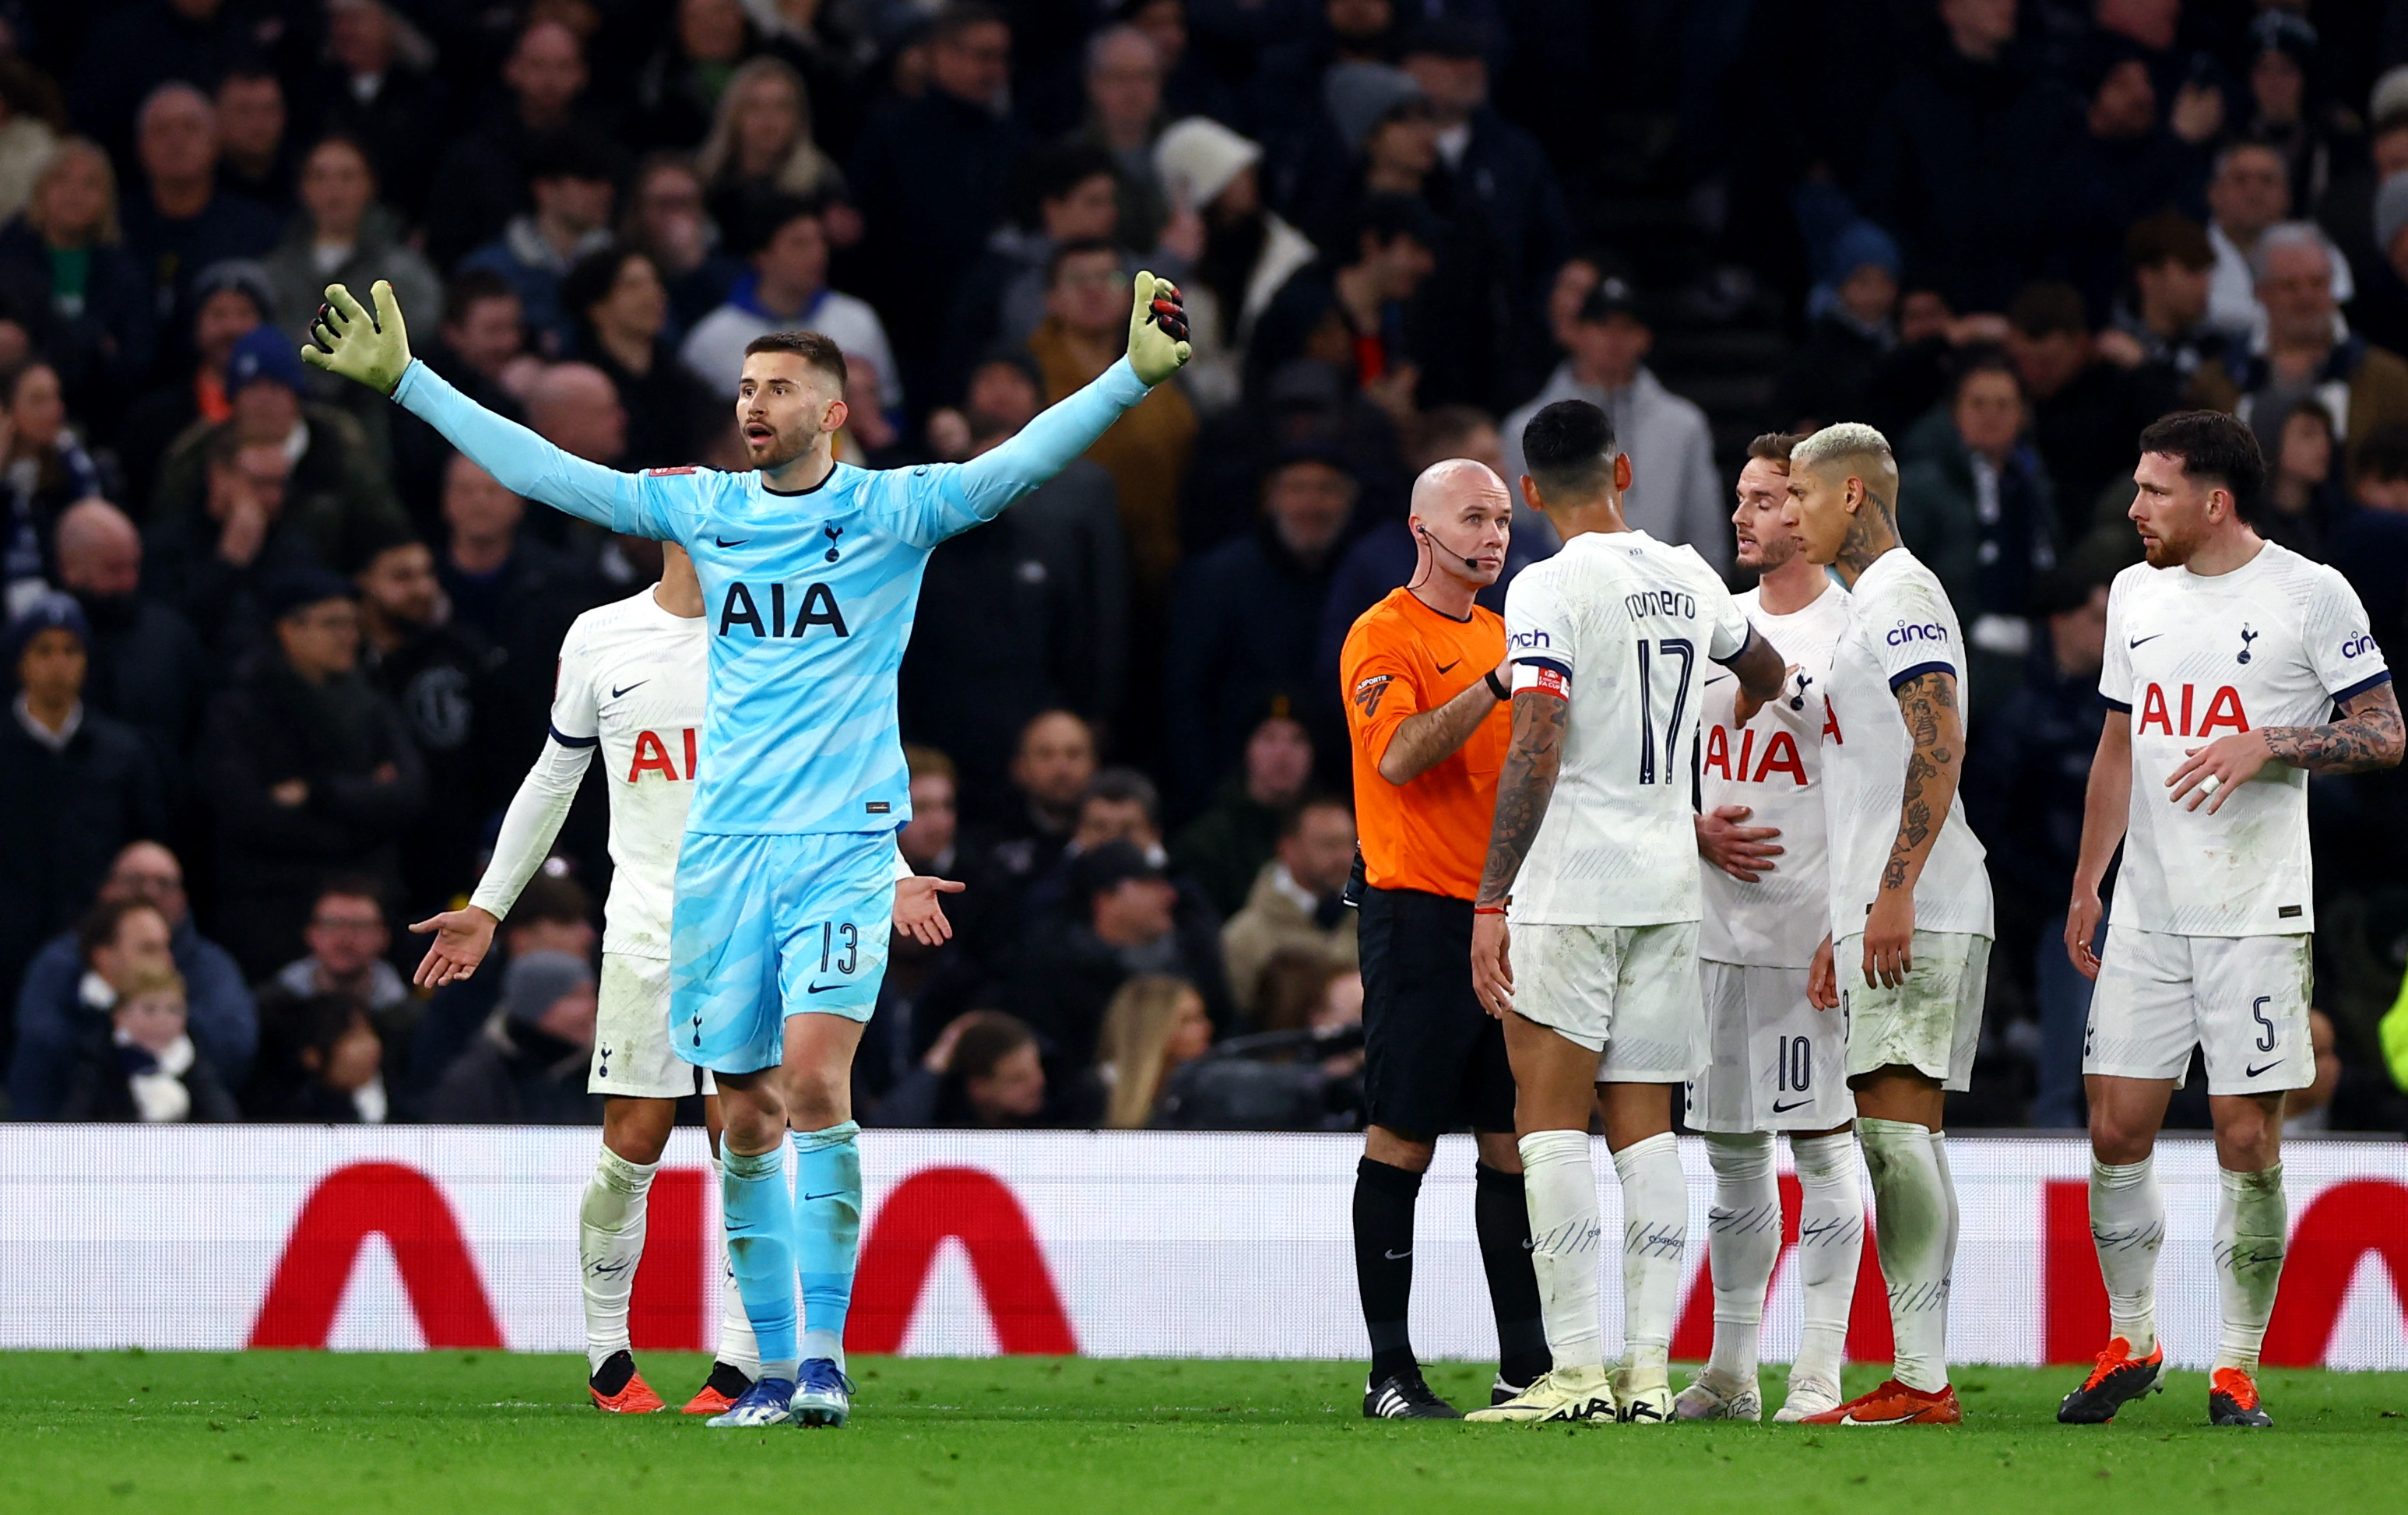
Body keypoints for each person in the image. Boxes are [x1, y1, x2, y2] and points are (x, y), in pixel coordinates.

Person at [304, 265, 1191, 1429]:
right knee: (746, 1116)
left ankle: (822, 1361)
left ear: (834, 409)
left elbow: (1013, 463)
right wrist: (410, 383)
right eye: (744, 387)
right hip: (719, 861)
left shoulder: (892, 513)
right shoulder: (706, 511)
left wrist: (1127, 377)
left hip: (835, 849)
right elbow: (547, 471)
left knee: (817, 1083)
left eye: (778, 387)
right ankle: (768, 1371)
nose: (753, 404)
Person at [410, 540, 958, 1414]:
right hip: (646, 927)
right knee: (633, 1136)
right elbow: (555, 774)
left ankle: (742, 1363)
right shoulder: (599, 634)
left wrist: (889, 871)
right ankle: (606, 1358)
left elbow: (831, 771)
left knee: (745, 1128)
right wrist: (488, 904)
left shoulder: (784, 631)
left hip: (758, 916)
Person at [2057, 412, 2403, 1429]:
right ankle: (2130, 1333)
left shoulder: (2310, 592)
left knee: (2242, 1131)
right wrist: (2089, 881)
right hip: (2151, 909)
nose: (2132, 510)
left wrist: (2271, 741)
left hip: (2255, 906)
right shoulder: (2132, 592)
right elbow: (2119, 747)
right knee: (2115, 1122)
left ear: (2213, 501)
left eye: (2152, 491)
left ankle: (2237, 1365)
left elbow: (2385, 732)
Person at [1465, 402, 1783, 1427]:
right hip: (1665, 882)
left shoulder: (1546, 585)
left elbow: (1541, 727)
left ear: (1527, 491)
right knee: (1645, 1128)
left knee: (1548, 1123)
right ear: (1625, 469)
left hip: (1572, 885)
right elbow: (1766, 672)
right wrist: (1690, 743)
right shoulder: (1690, 571)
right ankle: (1648, 1376)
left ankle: (1573, 1376)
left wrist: (1491, 893)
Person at [1784, 421, 1995, 1426]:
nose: (1793, 512)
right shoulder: (1875, 603)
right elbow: (1873, 769)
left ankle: (1922, 1375)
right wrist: (1850, 908)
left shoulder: (1901, 594)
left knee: (1894, 1135)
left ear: (1854, 494)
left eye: (1803, 496)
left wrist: (1896, 887)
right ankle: (1920, 1371)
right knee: (1900, 1133)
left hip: (1922, 901)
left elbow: (1938, 736)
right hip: (1892, 902)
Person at [1337, 454, 1545, 1420]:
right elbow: (1398, 753)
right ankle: (1390, 1371)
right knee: (1404, 1138)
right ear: (1423, 529)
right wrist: (1499, 685)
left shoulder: (1506, 633)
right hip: (1417, 915)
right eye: (1474, 518)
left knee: (1511, 1145)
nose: (1494, 535)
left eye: (1502, 519)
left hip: (1502, 916)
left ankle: (1527, 1367)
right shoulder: (1385, 634)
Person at [1674, 434, 1861, 1424]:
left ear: (1812, 507)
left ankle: (1822, 1368)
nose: (1743, 514)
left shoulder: (1855, 629)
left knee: (1824, 1148)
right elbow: (1657, 761)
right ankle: (1731, 1369)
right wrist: (1692, 828)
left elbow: (1873, 787)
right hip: (1714, 934)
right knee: (1733, 1154)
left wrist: (1853, 918)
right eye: (1741, 496)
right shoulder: (1714, 624)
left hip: (1809, 931)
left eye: (1765, 499)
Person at [194, 568, 427, 976]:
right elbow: (249, 816)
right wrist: (364, 812)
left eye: (353, 624)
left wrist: (319, 794)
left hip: (369, 910)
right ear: (288, 628)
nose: (349, 636)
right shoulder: (240, 710)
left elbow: (409, 795)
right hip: (270, 915)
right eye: (333, 623)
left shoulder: (371, 704)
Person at [1965, 568, 2108, 1130]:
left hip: (2112, 891)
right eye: (2095, 619)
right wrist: (2058, 890)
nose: (2105, 633)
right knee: (2074, 932)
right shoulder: (2015, 716)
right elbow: (1990, 826)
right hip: (2038, 901)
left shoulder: (2114, 712)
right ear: (2059, 621)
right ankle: (2058, 1116)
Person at [0, 595, 168, 1020]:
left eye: (71, 650)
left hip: (97, 940)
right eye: (44, 650)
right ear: (20, 662)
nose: (59, 664)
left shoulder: (122, 751)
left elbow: (145, 839)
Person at [1162, 448, 1352, 809]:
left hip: (1337, 797)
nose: (1312, 505)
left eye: (1327, 489)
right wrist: (1203, 794)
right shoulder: (1217, 578)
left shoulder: (1364, 576)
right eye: (1297, 489)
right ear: (1272, 497)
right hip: (1228, 789)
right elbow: (1185, 694)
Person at [8, 841, 256, 1115]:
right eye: (148, 949)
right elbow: (41, 1056)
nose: (166, 961)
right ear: (104, 957)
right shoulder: (60, 967)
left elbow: (234, 1049)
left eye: (164, 883)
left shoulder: (210, 968)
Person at [1499, 278, 1726, 572]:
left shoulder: (1684, 425)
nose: (1613, 338)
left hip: (1664, 599)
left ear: (1644, 338)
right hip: (1564, 598)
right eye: (1601, 324)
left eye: (1627, 327)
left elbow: (1704, 528)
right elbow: (1519, 533)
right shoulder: (1525, 428)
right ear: (1577, 333)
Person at [1029, 238, 1197, 595]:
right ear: (1051, 298)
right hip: (1058, 562)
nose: (1094, 291)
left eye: (1110, 278)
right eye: (1077, 280)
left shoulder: (1166, 363)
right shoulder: (1027, 372)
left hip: (1156, 564)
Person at [1897, 351, 2062, 707]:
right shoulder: (1921, 487)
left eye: (2003, 404)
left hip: (2031, 646)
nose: (1991, 415)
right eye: (1978, 403)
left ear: (2022, 414)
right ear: (1956, 413)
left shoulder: (2036, 485)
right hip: (1951, 654)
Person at [2189, 224, 2408, 480]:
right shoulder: (2215, 382)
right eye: (2290, 286)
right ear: (2261, 293)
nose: (2306, 297)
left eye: (2317, 284)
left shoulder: (2391, 381)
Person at [677, 198, 892, 406]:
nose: (818, 255)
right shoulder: (712, 341)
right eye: (800, 244)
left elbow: (891, 409)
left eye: (822, 242)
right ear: (762, 257)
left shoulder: (857, 320)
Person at [258, 135, 440, 351]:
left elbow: (422, 330)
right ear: (302, 188)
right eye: (319, 177)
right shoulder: (274, 273)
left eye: (347, 177)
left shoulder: (406, 273)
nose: (334, 190)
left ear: (371, 185)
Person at [561, 246, 720, 473]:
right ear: (596, 306)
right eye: (632, 286)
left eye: (655, 283)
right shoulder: (576, 381)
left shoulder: (679, 379)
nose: (653, 295)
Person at [458, 138, 618, 358]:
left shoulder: (623, 268)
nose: (605, 191)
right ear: (545, 190)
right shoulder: (489, 269)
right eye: (588, 180)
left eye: (607, 181)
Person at [422, 950, 603, 1124]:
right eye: (577, 997)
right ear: (537, 1005)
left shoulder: (603, 1075)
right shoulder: (474, 1083)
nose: (592, 1008)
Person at [1220, 796, 1358, 1018]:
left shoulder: (1379, 918)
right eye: (1329, 845)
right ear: (1288, 849)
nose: (1344, 856)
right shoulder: (1245, 937)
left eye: (1349, 843)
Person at [1171, 712, 1314, 920]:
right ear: (1247, 748)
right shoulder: (1207, 843)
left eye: (1298, 740)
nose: (1283, 753)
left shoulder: (1339, 833)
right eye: (1269, 738)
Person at [58, 965, 239, 1123]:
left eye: (174, 1010)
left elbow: (224, 1120)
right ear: (120, 1016)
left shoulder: (191, 1061)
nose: (162, 1021)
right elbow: (74, 1122)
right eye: (149, 1010)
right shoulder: (100, 1061)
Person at [262, 875, 412, 1054]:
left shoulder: (410, 1020)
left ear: (383, 937)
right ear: (311, 934)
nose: (344, 939)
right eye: (331, 925)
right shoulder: (269, 1012)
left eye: (359, 927)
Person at [241, 988, 386, 1123]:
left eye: (369, 1032)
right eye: (354, 1037)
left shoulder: (391, 1094)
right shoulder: (284, 1118)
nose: (371, 1045)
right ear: (312, 1056)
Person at [1092, 973, 1212, 1128]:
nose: (1207, 1028)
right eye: (1188, 1021)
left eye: (1201, 1017)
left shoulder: (1197, 1093)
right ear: (1154, 1029)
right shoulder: (1097, 1094)